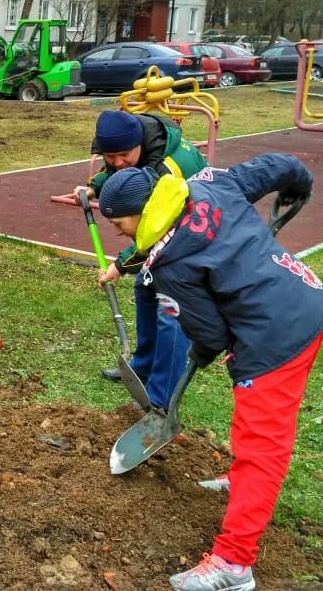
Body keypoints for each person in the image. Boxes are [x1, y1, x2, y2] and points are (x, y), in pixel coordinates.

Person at [96, 155, 321, 591]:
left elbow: (213, 333)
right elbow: (277, 167)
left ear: (141, 212)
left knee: (263, 448)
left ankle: (234, 566)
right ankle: (239, 483)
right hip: (304, 297)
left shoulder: (169, 264)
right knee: (253, 431)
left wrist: (203, 347)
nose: (118, 232)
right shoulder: (208, 183)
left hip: (274, 339)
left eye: (118, 223)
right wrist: (298, 184)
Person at [73, 109, 207, 409]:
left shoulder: (167, 171)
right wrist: (95, 184)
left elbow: (156, 234)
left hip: (195, 232)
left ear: (139, 145)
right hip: (175, 226)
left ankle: (160, 398)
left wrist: (120, 265)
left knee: (172, 310)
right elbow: (121, 172)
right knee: (145, 286)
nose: (117, 162)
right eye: (110, 156)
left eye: (123, 154)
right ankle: (142, 366)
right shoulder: (139, 141)